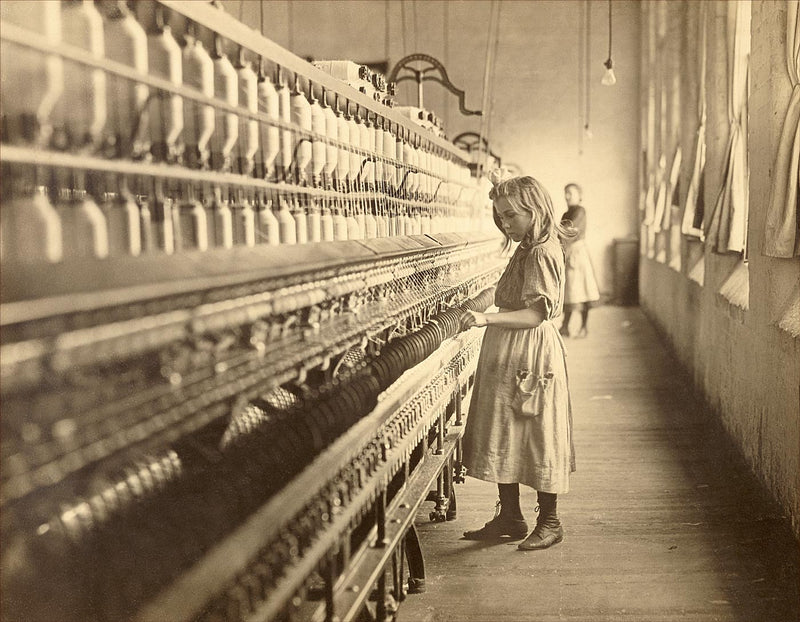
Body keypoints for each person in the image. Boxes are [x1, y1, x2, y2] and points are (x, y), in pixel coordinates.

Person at [459, 172, 576, 551]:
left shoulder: (541, 251)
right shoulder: (526, 246)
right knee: (504, 429)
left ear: (535, 210)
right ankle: (510, 517)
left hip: (529, 350)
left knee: (538, 433)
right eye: (499, 216)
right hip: (510, 349)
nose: (504, 223)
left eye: (511, 215)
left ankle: (550, 521)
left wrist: (484, 318)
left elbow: (535, 314)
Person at [559, 183, 600, 338]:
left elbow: (570, 231)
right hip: (569, 253)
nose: (567, 196)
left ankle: (583, 327)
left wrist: (558, 236)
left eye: (570, 193)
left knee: (583, 290)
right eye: (565, 193)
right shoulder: (565, 214)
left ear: (579, 195)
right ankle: (565, 326)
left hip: (577, 253)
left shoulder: (580, 211)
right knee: (569, 290)